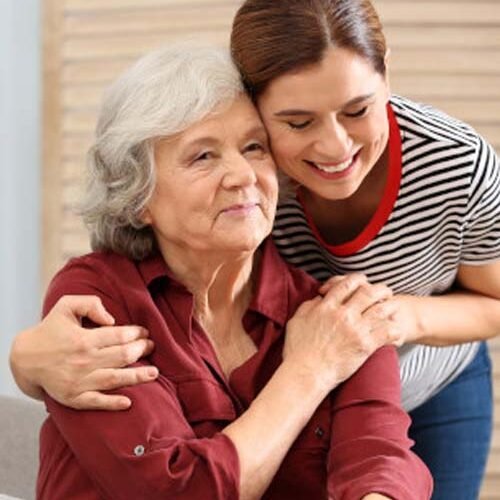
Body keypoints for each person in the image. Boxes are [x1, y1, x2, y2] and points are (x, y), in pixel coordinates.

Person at [9, 0, 499, 497]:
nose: (333, 149)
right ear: (138, 198)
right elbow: (179, 490)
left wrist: (394, 321)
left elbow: (378, 461)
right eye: (203, 155)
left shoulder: (340, 308)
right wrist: (310, 369)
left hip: (428, 360)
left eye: (252, 148)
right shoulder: (102, 304)